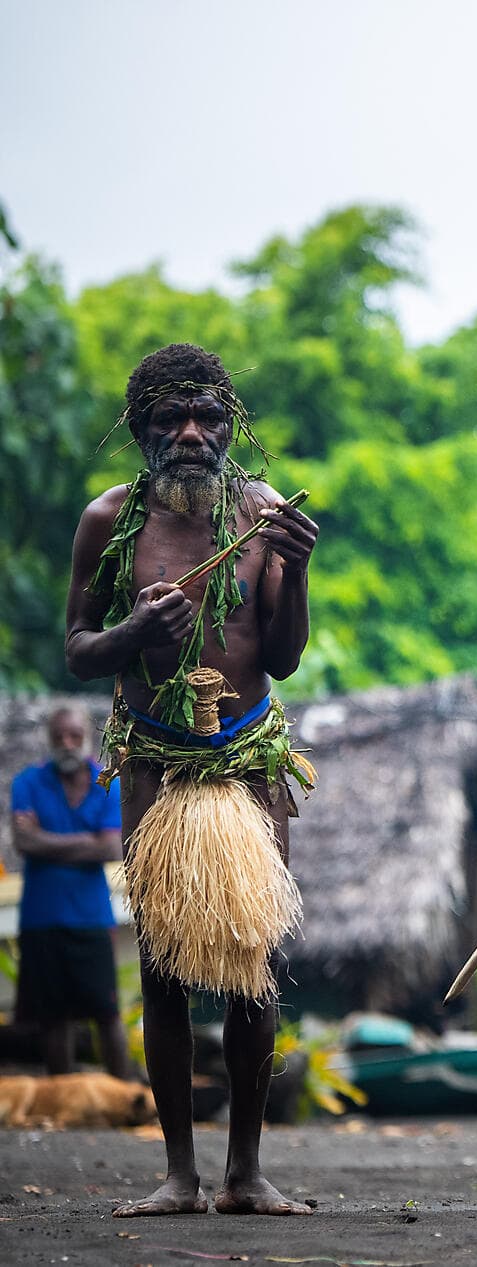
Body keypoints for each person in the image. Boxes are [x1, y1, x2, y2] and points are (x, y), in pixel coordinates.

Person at [64, 343, 320, 1217]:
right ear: (140, 430)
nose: (190, 432)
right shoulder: (110, 523)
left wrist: (301, 569)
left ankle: (246, 1171)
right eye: (171, 418)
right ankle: (179, 1172)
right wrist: (134, 632)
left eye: (207, 416)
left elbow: (283, 656)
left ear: (229, 424)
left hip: (247, 759)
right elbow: (75, 651)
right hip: (155, 762)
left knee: (256, 963)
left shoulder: (262, 515)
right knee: (165, 971)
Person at [9, 705, 133, 1080]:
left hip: (91, 917)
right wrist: (86, 842)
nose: (67, 743)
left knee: (106, 1013)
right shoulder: (28, 782)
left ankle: (125, 1095)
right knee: (53, 1017)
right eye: (59, 735)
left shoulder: (106, 782)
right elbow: (22, 842)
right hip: (40, 917)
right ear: (49, 738)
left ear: (88, 739)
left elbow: (112, 848)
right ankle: (63, 1099)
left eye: (75, 735)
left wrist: (45, 841)